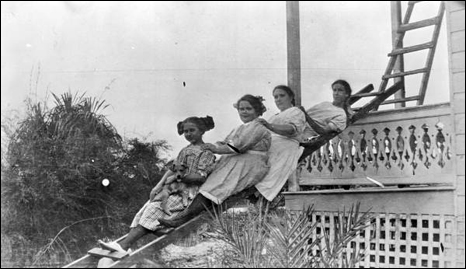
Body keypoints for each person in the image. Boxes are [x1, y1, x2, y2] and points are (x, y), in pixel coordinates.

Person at [97, 116, 216, 259]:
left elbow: (200, 177)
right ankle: (125, 245)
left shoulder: (206, 152)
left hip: (189, 192)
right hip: (174, 188)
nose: (188, 134)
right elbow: (172, 169)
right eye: (186, 131)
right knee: (147, 207)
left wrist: (179, 177)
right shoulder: (185, 150)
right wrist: (158, 186)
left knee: (154, 209)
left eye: (192, 130)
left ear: (202, 131)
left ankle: (124, 246)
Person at [158, 94, 271, 228]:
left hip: (251, 163)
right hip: (238, 160)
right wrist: (212, 146)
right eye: (241, 109)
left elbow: (239, 145)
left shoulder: (258, 126)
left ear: (257, 110)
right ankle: (182, 216)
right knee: (212, 182)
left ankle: (183, 218)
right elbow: (226, 141)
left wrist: (216, 148)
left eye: (248, 109)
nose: (244, 112)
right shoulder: (241, 127)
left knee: (217, 184)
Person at [255, 84, 307, 197]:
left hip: (286, 144)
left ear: (291, 97)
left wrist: (270, 126)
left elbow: (292, 130)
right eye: (275, 97)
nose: (278, 99)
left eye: (281, 96)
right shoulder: (274, 116)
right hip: (271, 144)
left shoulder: (296, 112)